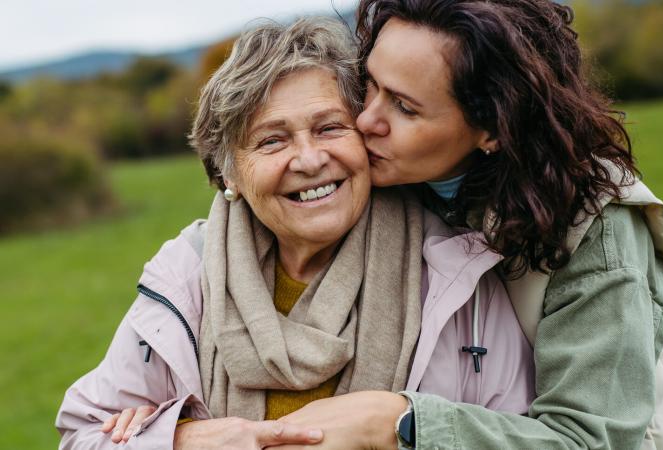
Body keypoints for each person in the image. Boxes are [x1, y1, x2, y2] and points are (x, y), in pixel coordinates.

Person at [55, 17, 535, 449]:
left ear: (365, 138)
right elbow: (83, 435)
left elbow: (518, 434)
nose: (308, 160)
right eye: (272, 140)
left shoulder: (453, 273)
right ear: (229, 174)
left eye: (329, 128)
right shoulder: (189, 273)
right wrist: (180, 441)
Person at [249, 1, 663, 449]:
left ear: (493, 128)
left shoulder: (596, 227)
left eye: (404, 107)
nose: (366, 120)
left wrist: (398, 424)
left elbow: (591, 439)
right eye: (371, 84)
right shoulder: (388, 180)